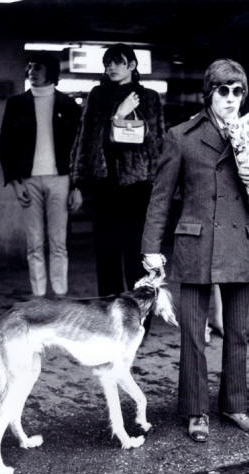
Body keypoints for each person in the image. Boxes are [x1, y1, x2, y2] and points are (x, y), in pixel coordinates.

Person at [141, 59, 249, 442]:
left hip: (239, 240)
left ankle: (235, 405)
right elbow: (161, 198)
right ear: (209, 93)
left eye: (238, 92)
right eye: (224, 91)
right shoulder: (181, 136)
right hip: (196, 241)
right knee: (194, 334)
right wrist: (151, 248)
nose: (231, 99)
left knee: (236, 332)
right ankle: (195, 411)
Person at [71, 43, 165, 296]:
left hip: (138, 186)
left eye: (117, 62)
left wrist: (161, 187)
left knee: (136, 252)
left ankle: (139, 315)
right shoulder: (97, 96)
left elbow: (156, 143)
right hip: (105, 184)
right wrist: (77, 183)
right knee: (106, 254)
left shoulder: (149, 98)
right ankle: (109, 314)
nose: (111, 67)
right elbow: (86, 140)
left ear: (132, 66)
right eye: (107, 63)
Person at [0, 52, 82, 298]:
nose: (32, 71)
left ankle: (59, 295)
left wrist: (77, 186)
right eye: (30, 66)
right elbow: (5, 146)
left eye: (38, 67)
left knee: (58, 242)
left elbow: (79, 149)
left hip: (61, 180)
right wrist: (14, 182)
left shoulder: (68, 105)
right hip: (28, 180)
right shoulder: (16, 104)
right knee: (34, 243)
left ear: (51, 72)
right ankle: (38, 295)